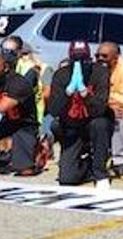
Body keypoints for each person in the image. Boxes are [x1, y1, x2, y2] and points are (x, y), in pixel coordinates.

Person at [47, 42, 113, 188]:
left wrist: (85, 94)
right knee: (67, 178)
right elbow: (53, 110)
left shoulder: (100, 73)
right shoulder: (61, 75)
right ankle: (85, 162)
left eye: (83, 59)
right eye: (76, 59)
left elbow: (100, 108)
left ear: (89, 58)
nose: (79, 62)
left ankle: (100, 172)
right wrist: (67, 93)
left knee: (100, 124)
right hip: (72, 125)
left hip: (93, 121)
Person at [0, 52, 43, 178]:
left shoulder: (18, 83)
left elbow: (2, 106)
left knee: (25, 171)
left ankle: (40, 148)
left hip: (24, 123)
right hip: (4, 120)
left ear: (5, 68)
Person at [96, 41, 123, 177]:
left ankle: (119, 160)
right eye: (97, 56)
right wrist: (106, 102)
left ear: (116, 57)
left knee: (118, 117)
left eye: (104, 56)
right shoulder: (94, 68)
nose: (100, 59)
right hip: (103, 106)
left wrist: (104, 100)